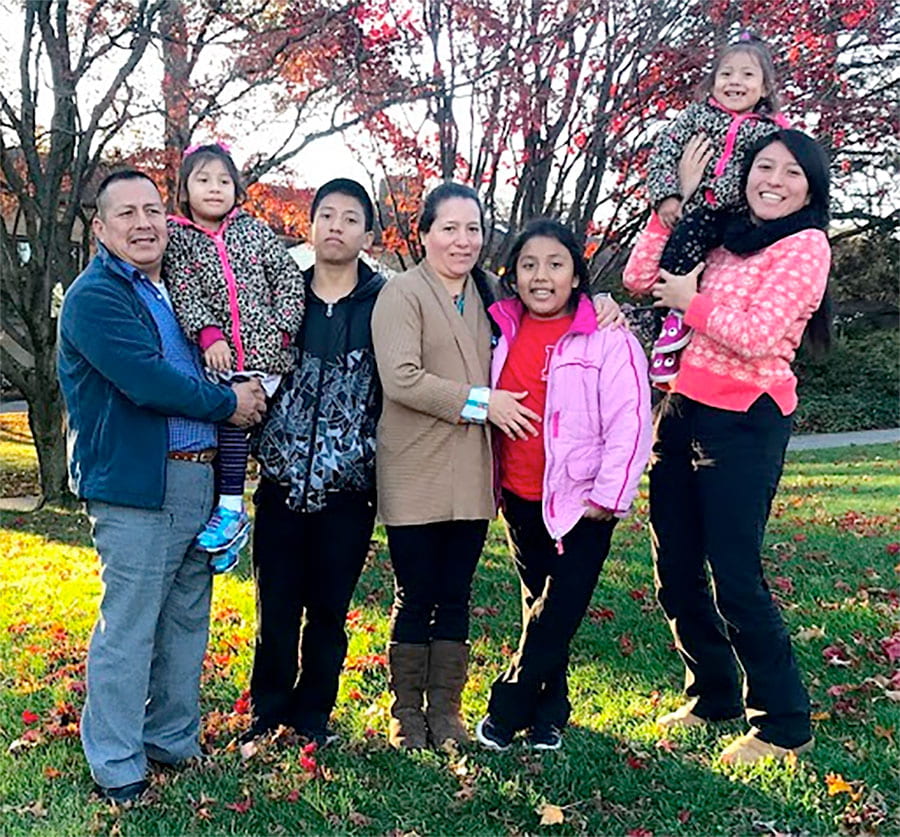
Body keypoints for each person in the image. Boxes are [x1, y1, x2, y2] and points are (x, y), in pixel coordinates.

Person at [372, 183, 625, 750]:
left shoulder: (490, 298)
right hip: (414, 466)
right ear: (425, 233)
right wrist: (485, 404)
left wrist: (604, 304)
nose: (462, 241)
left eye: (473, 230)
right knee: (416, 593)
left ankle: (447, 711)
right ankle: (407, 714)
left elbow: (558, 305)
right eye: (449, 228)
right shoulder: (402, 293)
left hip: (472, 471)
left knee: (456, 594)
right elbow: (402, 378)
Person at [623, 129, 832, 765]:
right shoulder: (719, 231)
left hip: (745, 420)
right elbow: (640, 275)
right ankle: (712, 692)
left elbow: (759, 335)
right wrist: (677, 204)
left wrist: (692, 301)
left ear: (810, 187)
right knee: (675, 567)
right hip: (681, 410)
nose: (774, 179)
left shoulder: (806, 245)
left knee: (735, 575)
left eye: (791, 172)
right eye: (763, 166)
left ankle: (782, 723)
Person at [57, 170, 267, 802]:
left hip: (197, 480)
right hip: (137, 489)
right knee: (129, 627)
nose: (143, 223)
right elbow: (146, 381)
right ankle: (118, 767)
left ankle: (171, 741)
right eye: (126, 214)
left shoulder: (174, 289)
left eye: (152, 209)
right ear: (100, 228)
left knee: (184, 623)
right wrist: (227, 403)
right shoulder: (96, 297)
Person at [474, 220, 651, 752]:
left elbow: (632, 419)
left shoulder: (607, 336)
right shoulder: (500, 330)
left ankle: (507, 709)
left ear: (576, 275)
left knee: (558, 609)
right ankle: (551, 713)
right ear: (515, 275)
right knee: (540, 606)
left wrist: (610, 495)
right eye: (529, 265)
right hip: (521, 495)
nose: (541, 276)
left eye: (555, 264)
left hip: (584, 502)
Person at [242, 179, 384, 752]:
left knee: (328, 611)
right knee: (274, 609)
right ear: (310, 225)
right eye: (326, 215)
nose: (336, 226)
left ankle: (313, 716)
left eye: (351, 219)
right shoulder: (283, 296)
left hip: (347, 490)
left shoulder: (386, 300)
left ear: (367, 235)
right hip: (279, 483)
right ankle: (267, 710)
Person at [164, 142, 305, 572]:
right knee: (222, 425)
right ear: (185, 190)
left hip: (266, 354)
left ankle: (230, 510)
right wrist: (208, 335)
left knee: (236, 423)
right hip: (217, 358)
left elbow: (287, 278)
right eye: (203, 180)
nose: (214, 189)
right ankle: (227, 521)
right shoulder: (179, 240)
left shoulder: (254, 231)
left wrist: (282, 327)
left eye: (224, 181)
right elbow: (185, 291)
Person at [645, 32, 788, 386]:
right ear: (712, 82)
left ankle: (713, 337)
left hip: (742, 214)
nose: (735, 82)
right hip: (702, 208)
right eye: (726, 74)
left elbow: (780, 173)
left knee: (735, 271)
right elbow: (664, 152)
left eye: (747, 75)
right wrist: (669, 196)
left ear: (765, 88)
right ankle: (668, 321)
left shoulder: (770, 132)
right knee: (681, 252)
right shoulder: (696, 117)